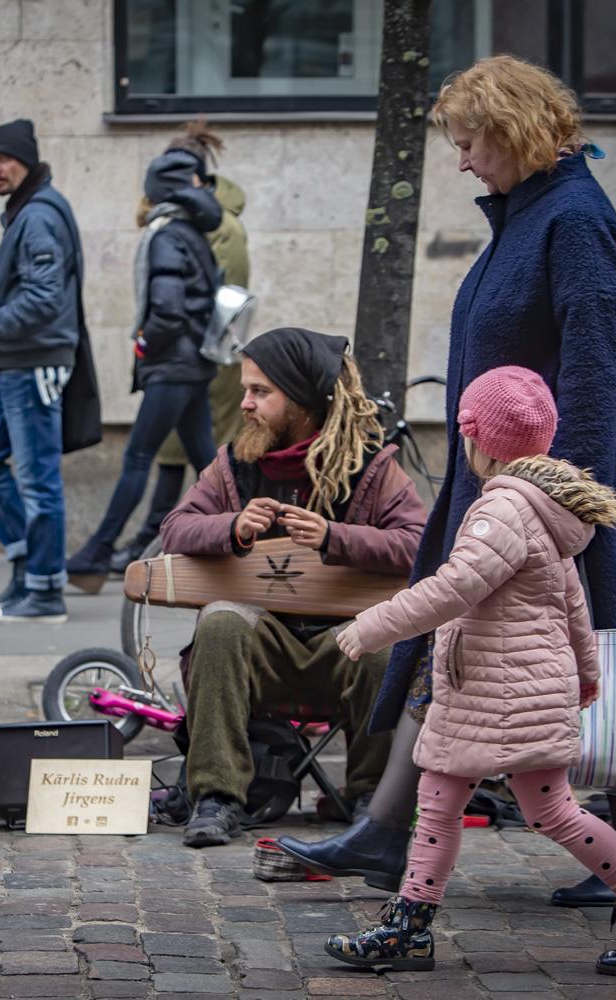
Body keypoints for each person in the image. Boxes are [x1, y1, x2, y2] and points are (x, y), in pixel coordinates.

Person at [278, 54, 616, 904]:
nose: (460, 161)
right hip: (500, 487)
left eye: (467, 143)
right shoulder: (530, 217)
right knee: (458, 654)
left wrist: (557, 503)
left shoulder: (573, 222)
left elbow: (593, 380)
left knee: (577, 665)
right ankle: (387, 832)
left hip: (543, 500)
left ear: (512, 129)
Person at [307, 367, 616, 978]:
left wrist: (369, 627)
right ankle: (413, 924)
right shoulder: (541, 506)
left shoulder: (502, 511)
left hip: (497, 687)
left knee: (527, 808)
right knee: (460, 800)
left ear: (477, 440)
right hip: (512, 684)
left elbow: (454, 587)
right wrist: (586, 673)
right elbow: (571, 600)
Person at [160, 327, 428, 847]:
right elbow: (175, 528)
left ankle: (374, 800)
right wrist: (232, 526)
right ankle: (216, 797)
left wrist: (335, 537)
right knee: (220, 622)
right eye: (245, 390)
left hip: (342, 645)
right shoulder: (234, 464)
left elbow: (419, 543)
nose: (246, 404)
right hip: (265, 649)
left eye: (261, 392)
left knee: (388, 643)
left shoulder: (371, 464)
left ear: (302, 399)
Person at [64, 148, 223, 592]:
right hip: (193, 364)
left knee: (138, 456)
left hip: (173, 365)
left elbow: (168, 312)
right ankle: (252, 534)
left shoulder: (167, 235)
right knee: (208, 463)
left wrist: (145, 344)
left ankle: (98, 551)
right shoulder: (192, 233)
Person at [111, 119, 252, 572]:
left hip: (199, 354)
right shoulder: (198, 217)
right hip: (190, 352)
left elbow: (214, 291)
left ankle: (160, 539)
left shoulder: (214, 223)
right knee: (187, 453)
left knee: (188, 454)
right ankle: (157, 539)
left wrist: (157, 339)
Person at [0, 118, 85, 624]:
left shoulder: (38, 216)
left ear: (27, 161)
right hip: (17, 363)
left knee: (38, 481)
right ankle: (25, 567)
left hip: (31, 361)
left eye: (4, 158)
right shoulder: (27, 211)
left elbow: (44, 296)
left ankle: (44, 591)